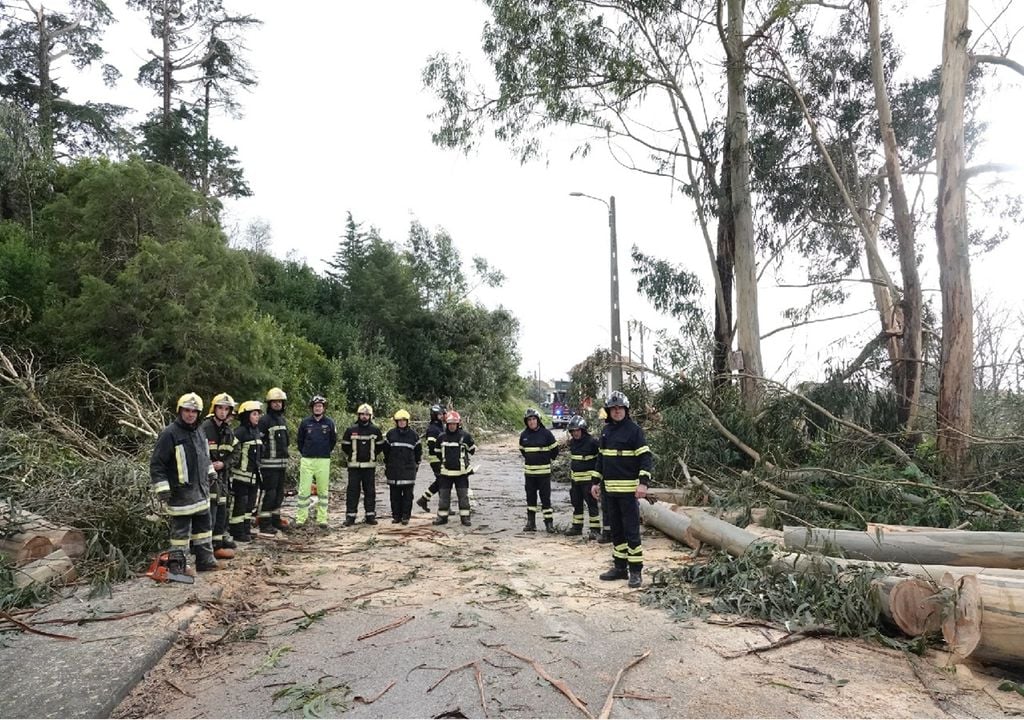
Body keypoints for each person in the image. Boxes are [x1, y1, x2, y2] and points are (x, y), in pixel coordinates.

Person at [150, 393, 220, 572]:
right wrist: (163, 488)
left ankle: (205, 561)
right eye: (187, 411)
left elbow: (205, 456)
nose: (190, 414)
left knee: (204, 531)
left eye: (194, 411)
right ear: (180, 411)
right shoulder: (169, 434)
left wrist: (210, 472)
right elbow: (157, 464)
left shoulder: (199, 431)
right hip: (180, 493)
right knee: (180, 535)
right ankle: (177, 567)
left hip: (201, 491)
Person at [592, 391, 653, 589]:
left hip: (628, 492)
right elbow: (601, 458)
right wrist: (595, 482)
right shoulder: (606, 431)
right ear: (609, 411)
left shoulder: (634, 431)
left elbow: (645, 457)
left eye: (620, 408)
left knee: (631, 532)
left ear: (626, 410)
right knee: (616, 531)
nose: (617, 411)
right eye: (613, 408)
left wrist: (643, 483)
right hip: (609, 491)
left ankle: (635, 571)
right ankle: (619, 568)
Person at [200, 393, 238, 559]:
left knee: (222, 510)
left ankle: (218, 544)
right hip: (207, 479)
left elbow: (236, 453)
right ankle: (206, 548)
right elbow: (198, 453)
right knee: (210, 513)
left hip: (222, 477)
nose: (223, 412)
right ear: (214, 409)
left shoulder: (228, 431)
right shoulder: (204, 428)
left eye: (226, 409)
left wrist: (224, 464)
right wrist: (210, 465)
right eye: (220, 408)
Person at [295, 395, 337, 530]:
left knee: (323, 491)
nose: (318, 408)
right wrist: (306, 452)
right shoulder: (305, 422)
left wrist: (324, 452)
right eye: (315, 406)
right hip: (307, 459)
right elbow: (299, 441)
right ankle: (301, 519)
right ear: (312, 408)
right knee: (303, 490)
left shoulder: (330, 423)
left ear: (324, 408)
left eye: (320, 406)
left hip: (323, 460)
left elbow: (333, 441)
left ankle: (322, 519)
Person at [341, 403, 384, 526]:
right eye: (362, 414)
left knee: (370, 491)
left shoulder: (375, 430)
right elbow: (345, 446)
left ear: (370, 416)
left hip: (369, 467)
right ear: (358, 415)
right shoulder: (351, 430)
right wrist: (353, 455)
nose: (364, 416)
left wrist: (372, 455)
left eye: (367, 414)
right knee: (353, 492)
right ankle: (350, 516)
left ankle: (370, 515)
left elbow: (380, 446)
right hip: (354, 467)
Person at [518, 408, 559, 533]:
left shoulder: (546, 434)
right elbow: (523, 450)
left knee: (545, 499)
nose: (531, 422)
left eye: (534, 419)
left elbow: (555, 451)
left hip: (544, 474)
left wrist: (545, 458)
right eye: (529, 420)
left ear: (538, 420)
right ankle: (531, 523)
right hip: (530, 474)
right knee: (530, 499)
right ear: (526, 422)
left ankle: (549, 524)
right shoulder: (524, 435)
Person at [229, 400, 264, 543]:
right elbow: (231, 453)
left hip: (254, 476)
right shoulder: (239, 432)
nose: (257, 417)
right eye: (254, 414)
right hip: (240, 476)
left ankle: (246, 529)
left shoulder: (256, 432)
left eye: (258, 414)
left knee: (250, 504)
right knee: (240, 504)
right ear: (246, 416)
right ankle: (237, 532)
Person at [257, 387, 290, 536]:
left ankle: (275, 519)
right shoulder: (264, 421)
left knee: (278, 494)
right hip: (269, 464)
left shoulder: (282, 420)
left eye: (279, 402)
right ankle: (264, 523)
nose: (277, 404)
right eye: (274, 402)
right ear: (269, 404)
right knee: (269, 494)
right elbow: (258, 441)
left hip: (281, 463)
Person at [432, 410, 475, 526]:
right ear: (447, 424)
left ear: (458, 424)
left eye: (454, 424)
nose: (452, 426)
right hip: (446, 473)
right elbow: (437, 452)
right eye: (450, 424)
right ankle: (442, 517)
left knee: (463, 497)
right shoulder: (441, 437)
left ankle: (465, 518)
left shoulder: (465, 436)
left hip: (461, 473)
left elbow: (472, 450)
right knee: (444, 497)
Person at [565, 415, 602, 540]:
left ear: (583, 429)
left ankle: (595, 530)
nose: (575, 433)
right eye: (573, 431)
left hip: (588, 481)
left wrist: (597, 480)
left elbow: (601, 459)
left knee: (592, 505)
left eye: (577, 430)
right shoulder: (573, 443)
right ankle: (577, 527)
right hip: (575, 481)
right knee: (577, 504)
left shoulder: (592, 442)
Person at [383, 409, 422, 524]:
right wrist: (388, 464)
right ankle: (396, 516)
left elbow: (418, 453)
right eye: (399, 421)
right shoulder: (391, 434)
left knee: (408, 496)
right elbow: (386, 451)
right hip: (393, 469)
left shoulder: (413, 436)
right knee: (394, 495)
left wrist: (416, 465)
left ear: (407, 421)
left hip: (408, 470)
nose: (401, 422)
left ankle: (405, 516)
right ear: (396, 422)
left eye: (403, 420)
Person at [415, 404, 446, 512]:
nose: (443, 416)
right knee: (443, 482)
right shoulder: (433, 429)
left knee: (441, 481)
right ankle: (444, 506)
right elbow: (432, 446)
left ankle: (424, 499)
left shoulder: (440, 426)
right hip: (436, 459)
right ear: (435, 415)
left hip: (441, 459)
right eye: (441, 414)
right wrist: (441, 456)